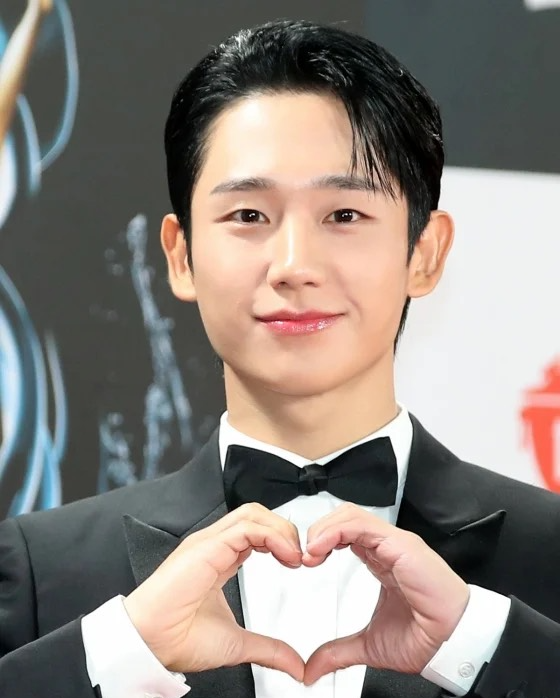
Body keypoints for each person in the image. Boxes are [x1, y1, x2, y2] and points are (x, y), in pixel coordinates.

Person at [1, 18, 559, 698]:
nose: (294, 265)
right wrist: (120, 655)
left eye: (344, 215)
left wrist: (480, 641)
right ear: (180, 255)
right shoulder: (42, 568)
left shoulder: (548, 550)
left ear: (425, 253)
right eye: (249, 217)